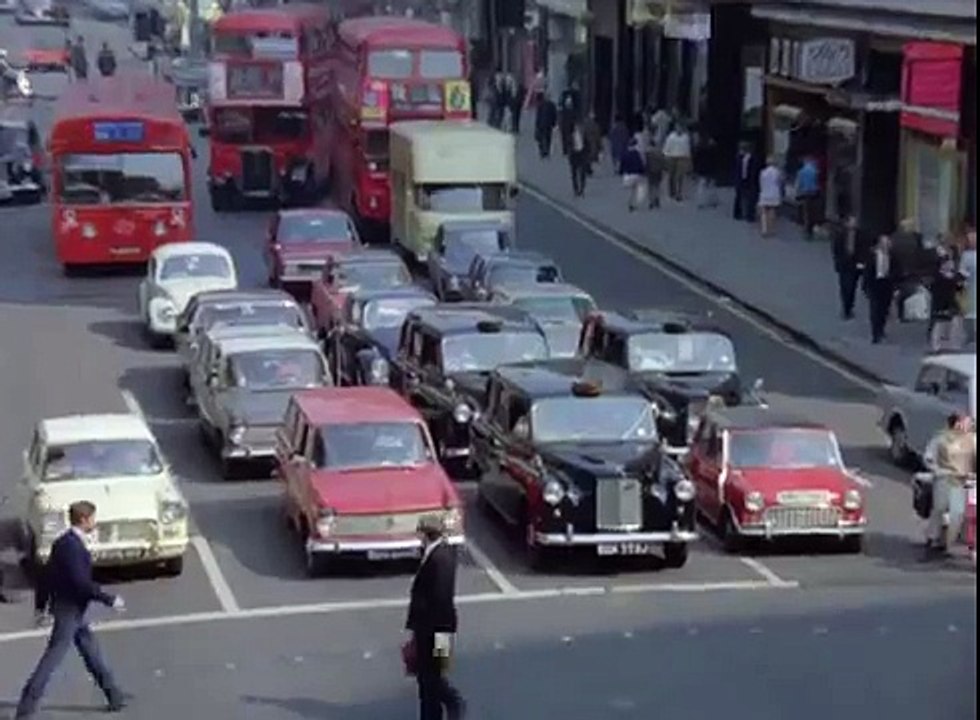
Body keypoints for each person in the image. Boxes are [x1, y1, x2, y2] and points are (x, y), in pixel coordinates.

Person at [15, 501, 127, 719]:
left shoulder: (62, 543)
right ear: (84, 520)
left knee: (90, 650)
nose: (95, 522)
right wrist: (109, 599)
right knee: (52, 658)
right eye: (93, 518)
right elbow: (81, 583)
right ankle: (26, 708)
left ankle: (114, 695)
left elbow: (46, 577)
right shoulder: (73, 548)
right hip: (69, 610)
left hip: (71, 609)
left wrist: (41, 607)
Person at [406, 514, 465, 720]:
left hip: (434, 630)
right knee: (434, 674)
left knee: (429, 676)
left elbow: (439, 596)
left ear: (426, 534)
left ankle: (451, 702)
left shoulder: (438, 558)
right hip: (442, 628)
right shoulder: (442, 553)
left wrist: (421, 630)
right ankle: (435, 713)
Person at [923, 414, 976, 557]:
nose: (969, 426)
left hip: (961, 480)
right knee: (939, 508)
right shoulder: (941, 439)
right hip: (944, 478)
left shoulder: (971, 440)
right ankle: (932, 537)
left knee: (958, 513)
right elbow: (929, 457)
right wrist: (937, 471)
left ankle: (948, 542)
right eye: (965, 423)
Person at [830, 215, 867, 320]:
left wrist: (862, 262)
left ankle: (849, 306)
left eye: (854, 222)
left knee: (852, 288)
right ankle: (845, 308)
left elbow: (864, 249)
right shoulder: (840, 235)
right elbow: (836, 250)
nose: (853, 224)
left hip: (855, 266)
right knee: (845, 287)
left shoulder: (861, 235)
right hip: (844, 266)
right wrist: (837, 262)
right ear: (846, 223)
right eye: (851, 222)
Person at [928, 251, 965, 351]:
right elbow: (935, 288)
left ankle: (953, 342)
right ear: (943, 265)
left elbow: (959, 287)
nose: (951, 265)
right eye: (948, 263)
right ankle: (936, 344)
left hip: (951, 301)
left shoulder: (955, 275)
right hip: (941, 302)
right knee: (939, 323)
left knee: (955, 321)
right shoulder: (938, 276)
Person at [863, 234, 896, 344]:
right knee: (875, 310)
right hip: (875, 284)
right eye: (884, 243)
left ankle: (881, 330)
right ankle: (875, 334)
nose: (887, 246)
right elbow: (867, 272)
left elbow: (897, 270)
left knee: (884, 310)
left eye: (888, 243)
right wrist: (865, 287)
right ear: (879, 245)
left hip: (887, 285)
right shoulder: (872, 256)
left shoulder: (893, 256)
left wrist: (896, 284)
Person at [891, 218, 925, 322]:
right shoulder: (916, 238)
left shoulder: (895, 237)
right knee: (907, 290)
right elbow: (920, 253)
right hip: (907, 268)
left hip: (902, 268)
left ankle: (900, 313)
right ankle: (903, 313)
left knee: (902, 291)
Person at [663, 124, 691, 201]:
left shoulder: (686, 137)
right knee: (671, 175)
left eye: (681, 128)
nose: (679, 129)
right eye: (678, 128)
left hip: (682, 157)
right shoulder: (671, 137)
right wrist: (666, 155)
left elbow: (687, 148)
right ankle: (672, 192)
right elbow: (666, 146)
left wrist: (688, 158)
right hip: (672, 157)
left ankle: (679, 193)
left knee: (679, 175)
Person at [795, 156, 821, 239]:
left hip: (805, 193)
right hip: (814, 193)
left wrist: (797, 193)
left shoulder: (801, 171)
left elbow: (799, 184)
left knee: (806, 212)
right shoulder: (815, 171)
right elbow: (817, 182)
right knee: (813, 211)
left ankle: (806, 229)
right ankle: (812, 228)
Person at [692, 129, 718, 209]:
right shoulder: (712, 147)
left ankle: (701, 202)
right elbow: (715, 158)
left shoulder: (699, 147)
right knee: (711, 185)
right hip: (710, 168)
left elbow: (695, 159)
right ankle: (712, 201)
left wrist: (695, 170)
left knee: (701, 186)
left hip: (701, 168)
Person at [733, 142, 758, 222]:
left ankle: (750, 215)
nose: (741, 151)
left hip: (750, 180)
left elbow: (755, 170)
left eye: (743, 149)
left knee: (751, 197)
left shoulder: (753, 158)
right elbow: (736, 169)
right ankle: (738, 213)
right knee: (739, 196)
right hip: (740, 180)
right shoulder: (739, 157)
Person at [757, 157, 782, 237]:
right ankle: (771, 229)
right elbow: (779, 183)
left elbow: (760, 183)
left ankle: (764, 229)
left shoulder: (763, 172)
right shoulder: (777, 172)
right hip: (774, 193)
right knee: (772, 211)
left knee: (764, 212)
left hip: (765, 193)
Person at [960, 227, 977, 344]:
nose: (972, 241)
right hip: (971, 285)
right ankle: (971, 335)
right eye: (970, 239)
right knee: (970, 310)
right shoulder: (966, 255)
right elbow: (962, 271)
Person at [619, 137, 646, 212]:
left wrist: (621, 172)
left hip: (627, 175)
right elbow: (640, 164)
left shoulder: (625, 153)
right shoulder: (636, 154)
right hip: (636, 174)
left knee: (629, 191)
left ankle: (629, 203)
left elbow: (622, 164)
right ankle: (635, 203)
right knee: (636, 190)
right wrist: (643, 172)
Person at [558, 83, 580, 157]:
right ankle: (568, 148)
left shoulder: (567, 94)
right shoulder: (572, 94)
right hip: (568, 116)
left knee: (567, 132)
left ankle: (567, 148)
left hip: (567, 116)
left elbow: (560, 104)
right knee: (568, 132)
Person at [645, 140, 667, 209]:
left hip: (650, 171)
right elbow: (663, 162)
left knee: (650, 187)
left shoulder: (647, 154)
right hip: (658, 171)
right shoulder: (660, 152)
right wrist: (664, 169)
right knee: (657, 186)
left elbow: (646, 163)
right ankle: (657, 199)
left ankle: (651, 202)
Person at [568, 121, 588, 197]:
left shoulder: (583, 135)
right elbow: (569, 146)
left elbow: (586, 143)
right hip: (574, 156)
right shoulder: (570, 137)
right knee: (574, 174)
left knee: (582, 173)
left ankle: (582, 189)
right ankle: (576, 189)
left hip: (581, 154)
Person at [534, 94, 557, 159]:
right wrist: (537, 124)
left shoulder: (551, 105)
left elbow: (554, 114)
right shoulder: (541, 105)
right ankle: (542, 151)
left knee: (548, 138)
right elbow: (538, 115)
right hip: (542, 124)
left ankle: (546, 151)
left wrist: (554, 123)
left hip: (548, 124)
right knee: (541, 138)